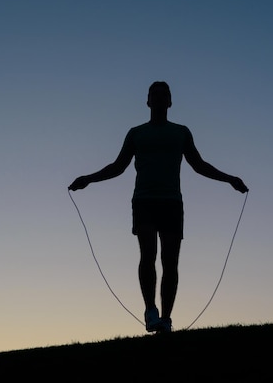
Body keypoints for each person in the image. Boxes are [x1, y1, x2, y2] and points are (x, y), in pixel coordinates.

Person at [69, 81, 248, 332]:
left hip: (172, 202)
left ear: (170, 102)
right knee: (148, 256)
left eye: (165, 94)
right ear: (148, 101)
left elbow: (199, 165)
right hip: (144, 201)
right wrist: (88, 178)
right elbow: (118, 166)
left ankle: (166, 318)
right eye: (155, 94)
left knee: (170, 262)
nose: (160, 98)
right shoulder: (136, 133)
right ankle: (150, 311)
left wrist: (230, 179)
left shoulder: (181, 132)